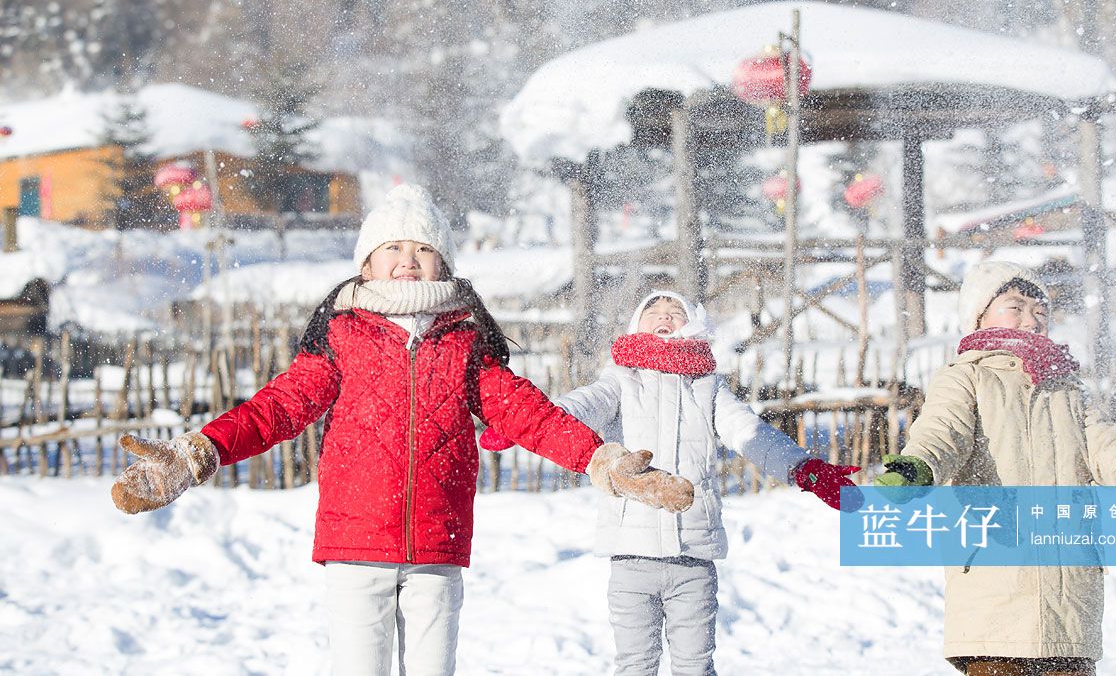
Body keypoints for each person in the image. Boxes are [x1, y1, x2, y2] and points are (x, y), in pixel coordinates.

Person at [110, 184, 693, 676]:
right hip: (356, 544)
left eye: (422, 247)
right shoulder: (343, 335)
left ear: (445, 264)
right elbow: (278, 408)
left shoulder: (465, 342)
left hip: (436, 548)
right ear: (366, 263)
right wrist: (199, 451)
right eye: (393, 246)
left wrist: (601, 460)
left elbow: (529, 415)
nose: (408, 258)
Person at [873, 260, 1116, 676]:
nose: (1031, 319)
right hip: (996, 586)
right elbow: (941, 432)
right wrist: (917, 466)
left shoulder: (1069, 392)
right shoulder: (967, 379)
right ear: (977, 316)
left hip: (1071, 600)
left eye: (1040, 310)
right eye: (1014, 307)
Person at [483, 290, 860, 676]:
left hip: (693, 556)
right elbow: (580, 405)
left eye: (675, 311)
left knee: (695, 666)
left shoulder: (708, 388)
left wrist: (801, 467)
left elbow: (752, 434)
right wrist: (526, 425)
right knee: (635, 666)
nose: (664, 316)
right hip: (631, 555)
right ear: (636, 324)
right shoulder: (619, 381)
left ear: (694, 324)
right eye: (653, 311)